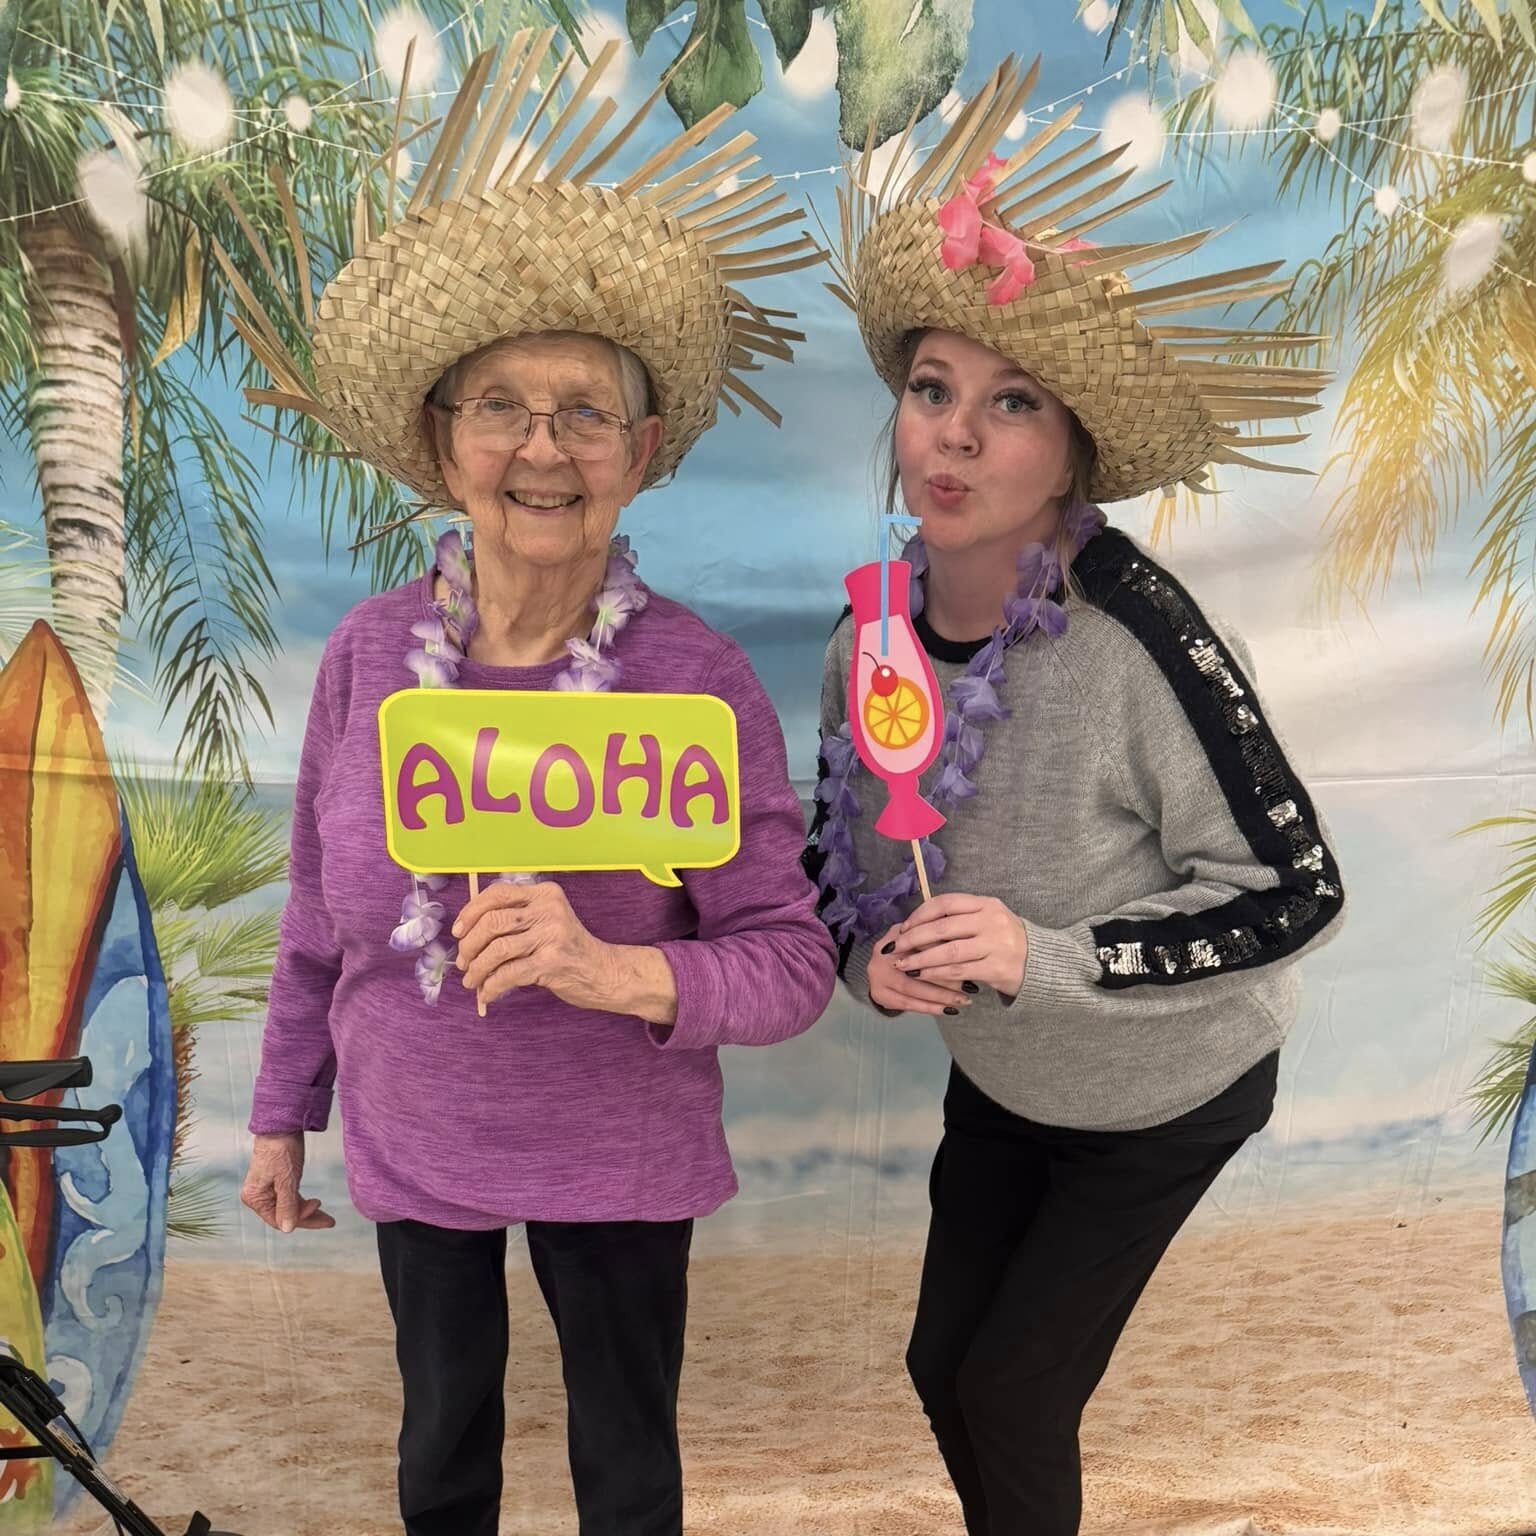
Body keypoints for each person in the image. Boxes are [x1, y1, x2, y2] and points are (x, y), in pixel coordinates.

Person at [228, 39, 836, 1536]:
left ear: (638, 453)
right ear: (443, 447)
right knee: (444, 1461)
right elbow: (319, 917)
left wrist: (614, 966)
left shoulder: (694, 681)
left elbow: (792, 963)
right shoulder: (369, 661)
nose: (540, 446)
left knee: (628, 1475)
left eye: (581, 412)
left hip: (620, 1156)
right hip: (413, 1132)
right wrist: (277, 1112)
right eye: (500, 405)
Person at [805, 58, 1347, 1536]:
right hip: (1008, 1079)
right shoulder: (879, 622)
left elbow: (1300, 890)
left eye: (1012, 402)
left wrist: (1043, 955)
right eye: (932, 390)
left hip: (1170, 1087)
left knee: (1018, 1392)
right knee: (941, 1367)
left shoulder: (1144, 636)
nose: (954, 436)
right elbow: (831, 851)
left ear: (1072, 456)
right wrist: (874, 957)